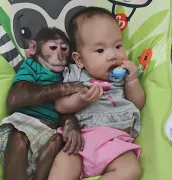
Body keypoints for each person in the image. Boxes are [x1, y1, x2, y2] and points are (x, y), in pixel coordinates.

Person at [48, 7, 145, 180]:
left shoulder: (124, 78)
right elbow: (60, 106)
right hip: (79, 140)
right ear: (79, 60)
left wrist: (132, 81)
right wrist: (80, 99)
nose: (112, 56)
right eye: (100, 51)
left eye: (118, 46)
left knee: (131, 169)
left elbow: (138, 104)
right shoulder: (75, 76)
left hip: (115, 143)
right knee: (63, 165)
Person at [0, 27, 85, 180]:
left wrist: (71, 123)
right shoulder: (32, 65)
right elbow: (16, 98)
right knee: (18, 138)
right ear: (34, 48)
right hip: (23, 125)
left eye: (64, 49)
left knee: (58, 140)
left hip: (49, 131)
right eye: (52, 47)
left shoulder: (68, 74)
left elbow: (65, 108)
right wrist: (64, 88)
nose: (59, 55)